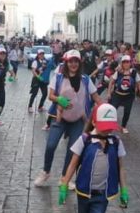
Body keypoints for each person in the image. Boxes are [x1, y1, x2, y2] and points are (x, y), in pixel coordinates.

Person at [34, 50, 100, 187]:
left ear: (79, 63)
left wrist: (106, 108)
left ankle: (65, 177)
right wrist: (59, 99)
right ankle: (45, 172)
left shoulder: (85, 79)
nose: (73, 64)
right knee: (51, 145)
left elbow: (95, 97)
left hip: (78, 119)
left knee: (72, 150)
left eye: (76, 61)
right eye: (71, 61)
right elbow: (50, 95)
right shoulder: (58, 77)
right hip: (59, 118)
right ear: (66, 62)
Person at [107, 55, 140, 134]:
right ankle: (108, 126)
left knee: (127, 111)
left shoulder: (134, 73)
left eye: (127, 62)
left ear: (130, 63)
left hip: (128, 96)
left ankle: (123, 126)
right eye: (124, 62)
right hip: (117, 95)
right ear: (122, 63)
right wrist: (109, 93)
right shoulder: (118, 72)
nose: (126, 64)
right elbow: (111, 82)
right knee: (112, 110)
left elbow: (139, 84)